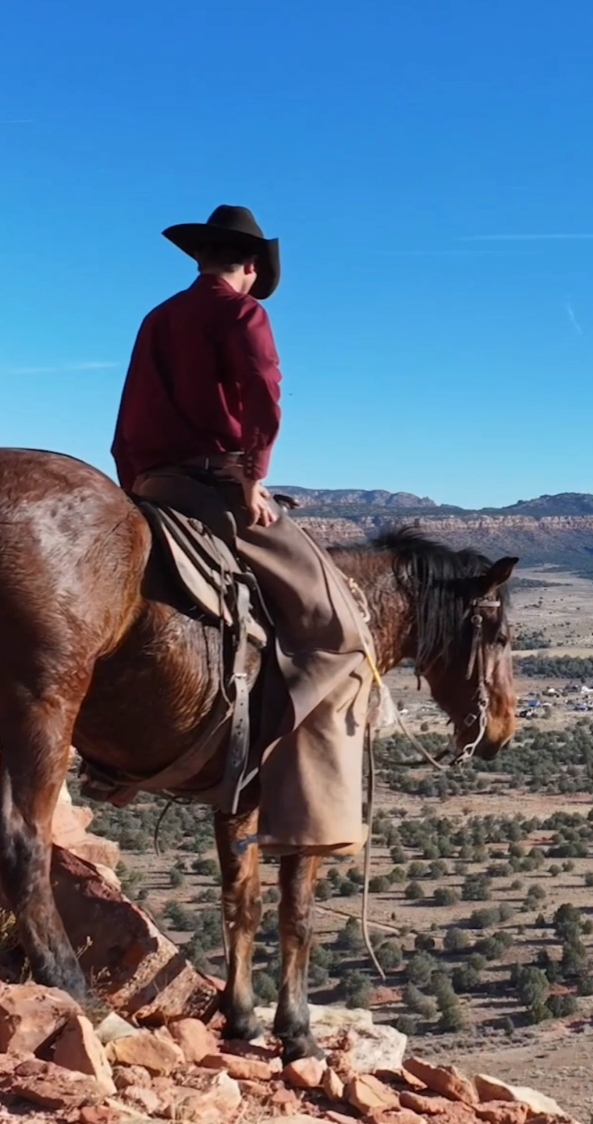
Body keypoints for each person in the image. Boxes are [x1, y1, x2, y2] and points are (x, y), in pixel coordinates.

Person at [111, 205, 374, 856]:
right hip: (215, 487)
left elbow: (126, 422)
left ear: (202, 258)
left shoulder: (157, 319)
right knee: (337, 622)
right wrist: (252, 481)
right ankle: (304, 811)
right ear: (251, 268)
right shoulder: (244, 314)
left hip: (149, 487)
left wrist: (131, 494)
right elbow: (263, 399)